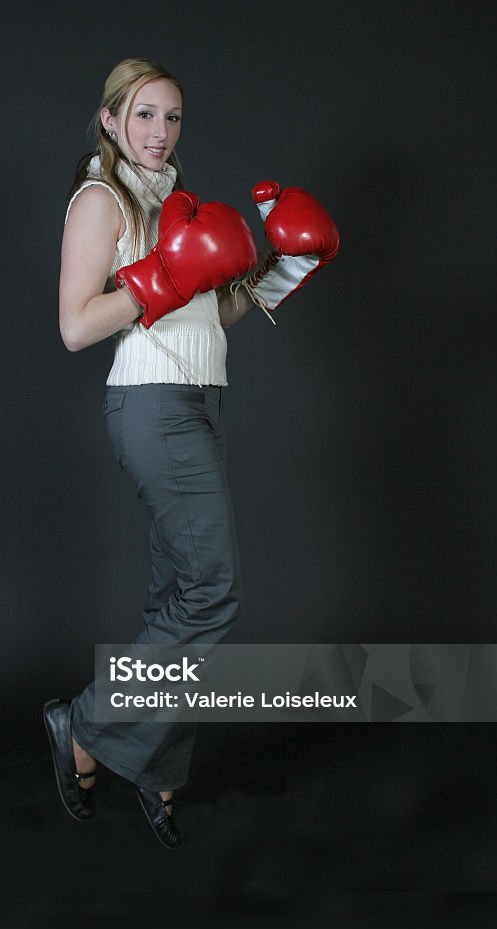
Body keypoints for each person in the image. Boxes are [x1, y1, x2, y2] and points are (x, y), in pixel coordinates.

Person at [44, 57, 339, 849]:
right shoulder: (100, 200)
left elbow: (208, 314)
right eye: (143, 115)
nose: (158, 132)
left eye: (171, 117)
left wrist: (284, 272)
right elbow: (76, 326)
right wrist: (161, 276)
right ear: (110, 120)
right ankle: (84, 722)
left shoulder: (173, 199)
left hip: (199, 400)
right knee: (212, 592)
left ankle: (156, 769)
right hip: (150, 406)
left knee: (177, 600)